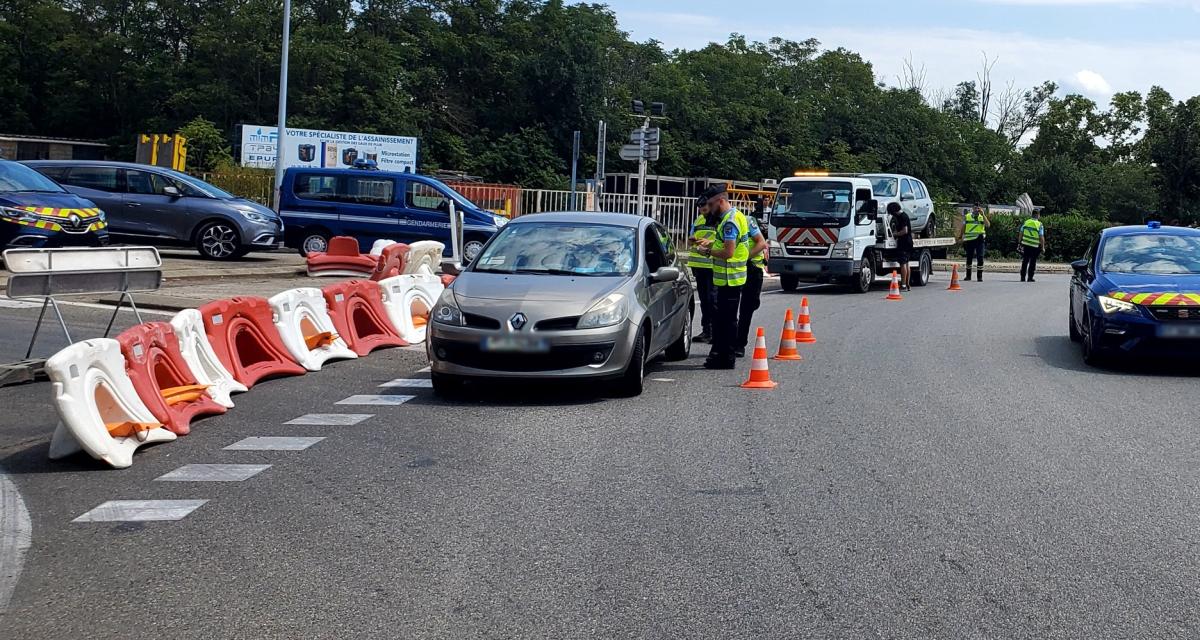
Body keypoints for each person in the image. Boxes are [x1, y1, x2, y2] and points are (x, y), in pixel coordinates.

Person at [694, 185, 749, 370]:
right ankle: (723, 355)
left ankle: (726, 358)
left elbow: (728, 251)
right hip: (730, 278)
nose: (709, 208)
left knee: (727, 321)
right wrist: (711, 242)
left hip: (729, 278)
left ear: (720, 201)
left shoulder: (729, 222)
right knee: (725, 320)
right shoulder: (736, 216)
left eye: (710, 204)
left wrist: (707, 251)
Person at [735, 213, 770, 357]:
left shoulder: (747, 220)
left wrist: (743, 258)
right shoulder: (720, 222)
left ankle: (739, 343)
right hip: (734, 269)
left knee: (748, 307)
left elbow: (761, 243)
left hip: (752, 269)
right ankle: (733, 341)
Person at [686, 195, 718, 343]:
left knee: (713, 299)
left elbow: (722, 240)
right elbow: (691, 237)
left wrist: (709, 242)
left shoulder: (718, 220)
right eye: (700, 209)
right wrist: (692, 240)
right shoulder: (698, 219)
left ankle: (714, 331)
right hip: (698, 265)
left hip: (712, 265)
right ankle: (706, 330)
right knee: (704, 300)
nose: (702, 212)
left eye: (704, 209)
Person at [960, 203, 990, 282]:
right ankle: (968, 276)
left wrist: (983, 215)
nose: (977, 210)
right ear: (972, 208)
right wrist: (961, 235)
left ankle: (979, 277)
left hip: (979, 240)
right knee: (969, 258)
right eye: (975, 208)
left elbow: (988, 225)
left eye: (978, 208)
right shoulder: (967, 216)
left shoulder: (982, 217)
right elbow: (963, 227)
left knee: (980, 258)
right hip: (970, 240)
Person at [888, 202, 913, 291]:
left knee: (903, 263)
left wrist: (895, 234)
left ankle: (903, 285)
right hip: (908, 242)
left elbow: (905, 231)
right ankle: (907, 284)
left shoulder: (902, 217)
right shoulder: (904, 215)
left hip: (904, 242)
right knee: (906, 263)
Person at [1018, 211, 1046, 282]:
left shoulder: (1026, 222)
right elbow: (1041, 236)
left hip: (1026, 244)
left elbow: (1021, 232)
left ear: (1032, 215)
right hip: (1034, 245)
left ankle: (1022, 277)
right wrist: (1042, 247)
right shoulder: (1039, 224)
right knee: (1032, 262)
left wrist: (1019, 242)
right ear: (1038, 215)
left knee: (1025, 261)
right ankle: (1030, 277)